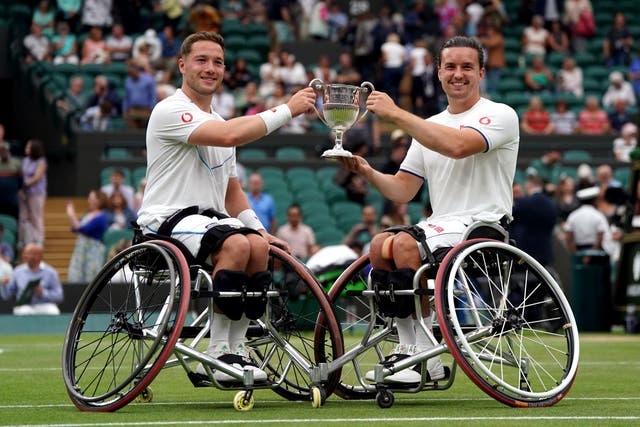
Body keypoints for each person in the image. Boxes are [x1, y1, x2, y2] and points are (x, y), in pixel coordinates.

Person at [135, 31, 315, 383]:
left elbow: (232, 190)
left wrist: (260, 229)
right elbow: (231, 135)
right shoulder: (169, 110)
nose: (211, 68)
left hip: (207, 223)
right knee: (235, 243)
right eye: (202, 60)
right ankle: (217, 352)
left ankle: (236, 349)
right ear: (182, 65)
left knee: (257, 244)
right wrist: (288, 109)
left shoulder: (219, 122)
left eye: (218, 62)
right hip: (163, 223)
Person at [337, 36, 519, 384]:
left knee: (403, 245)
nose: (458, 74)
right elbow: (403, 191)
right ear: (438, 73)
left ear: (481, 72)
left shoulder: (500, 115)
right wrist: (367, 171)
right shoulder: (428, 126)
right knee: (378, 245)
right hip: (441, 227)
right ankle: (413, 351)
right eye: (450, 66)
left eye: (467, 67)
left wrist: (395, 113)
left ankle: (420, 354)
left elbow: (457, 145)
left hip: (484, 226)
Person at [511, 174, 559, 273]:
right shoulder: (552, 204)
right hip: (545, 250)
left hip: (526, 252)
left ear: (529, 185)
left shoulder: (523, 202)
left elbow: (511, 221)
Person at [0, 243, 63, 315]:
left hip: (45, 304)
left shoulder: (51, 272)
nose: (24, 256)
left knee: (53, 311)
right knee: (23, 311)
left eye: (28, 253)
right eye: (24, 253)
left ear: (38, 256)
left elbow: (59, 296)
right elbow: (7, 296)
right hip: (24, 306)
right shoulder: (17, 271)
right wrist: (3, 285)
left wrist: (43, 293)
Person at [66, 189, 110, 283]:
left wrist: (71, 213)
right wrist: (71, 217)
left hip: (92, 250)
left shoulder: (101, 217)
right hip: (81, 249)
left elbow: (84, 229)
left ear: (99, 201)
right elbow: (75, 229)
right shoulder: (88, 214)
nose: (88, 201)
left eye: (91, 198)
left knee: (90, 276)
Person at [19, 139, 47, 248]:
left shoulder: (41, 161)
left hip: (36, 193)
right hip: (24, 192)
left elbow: (37, 177)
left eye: (28, 147)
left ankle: (39, 239)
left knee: (36, 216)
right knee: (23, 216)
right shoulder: (25, 160)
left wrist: (25, 183)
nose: (26, 149)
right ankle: (23, 239)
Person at [564, 186, 608, 254]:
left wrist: (575, 253)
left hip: (578, 251)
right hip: (596, 253)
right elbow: (600, 238)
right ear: (594, 200)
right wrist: (589, 255)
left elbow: (568, 238)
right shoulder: (599, 216)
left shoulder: (573, 216)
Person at [122, 59, 158, 129]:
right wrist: (125, 110)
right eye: (129, 72)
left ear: (137, 69)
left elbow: (153, 96)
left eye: (132, 71)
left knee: (145, 132)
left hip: (146, 110)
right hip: (133, 110)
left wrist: (152, 110)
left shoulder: (148, 80)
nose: (131, 73)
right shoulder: (128, 81)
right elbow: (126, 97)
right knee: (133, 132)